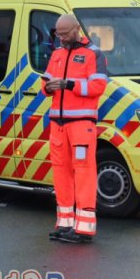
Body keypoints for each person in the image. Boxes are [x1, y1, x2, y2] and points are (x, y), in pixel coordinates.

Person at [42, 14, 108, 244]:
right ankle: (65, 223)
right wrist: (48, 88)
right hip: (58, 125)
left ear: (77, 29)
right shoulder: (57, 54)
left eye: (65, 33)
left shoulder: (93, 54)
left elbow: (98, 86)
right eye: (58, 34)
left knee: (83, 173)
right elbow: (45, 83)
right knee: (61, 172)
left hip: (81, 124)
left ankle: (84, 228)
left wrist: (68, 85)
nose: (61, 38)